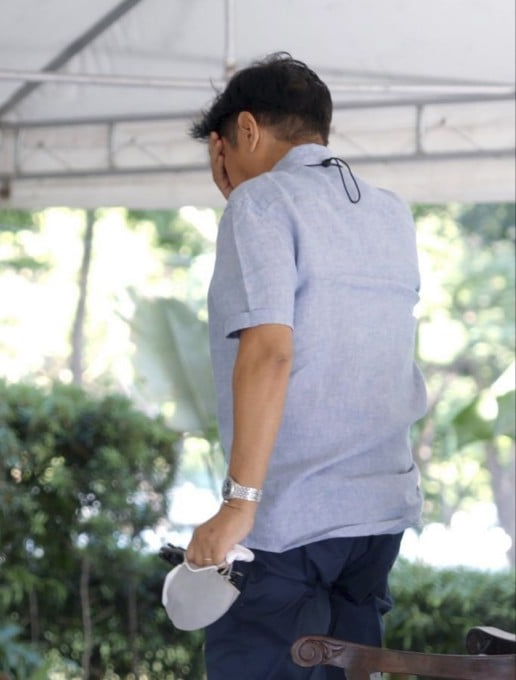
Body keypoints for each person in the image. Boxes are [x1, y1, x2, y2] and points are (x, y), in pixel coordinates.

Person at [183, 53, 426, 678]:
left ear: (245, 130)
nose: (224, 172)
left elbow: (269, 350)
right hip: (377, 520)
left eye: (221, 152)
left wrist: (239, 503)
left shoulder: (260, 204)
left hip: (287, 526)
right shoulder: (389, 213)